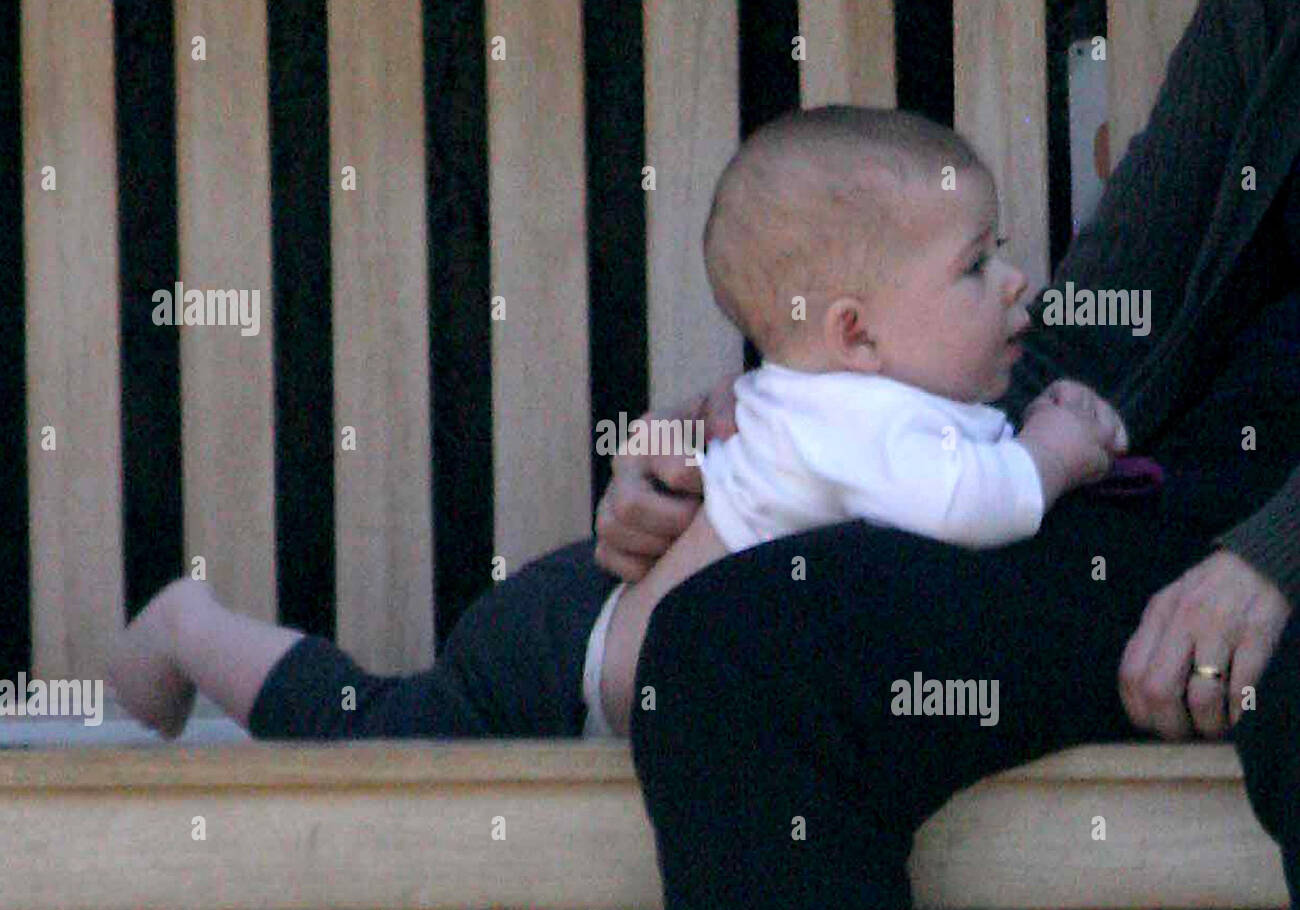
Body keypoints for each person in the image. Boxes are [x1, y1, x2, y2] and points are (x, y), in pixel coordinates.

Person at [109, 104, 1121, 746]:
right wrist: (1055, 448)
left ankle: (196, 633)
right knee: (373, 734)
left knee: (386, 712)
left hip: (591, 625)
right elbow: (979, 503)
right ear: (854, 332)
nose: (1016, 278)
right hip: (556, 664)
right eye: (976, 264)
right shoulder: (860, 424)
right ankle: (190, 629)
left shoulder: (861, 400)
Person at [622, 0, 1300, 910]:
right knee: (732, 645)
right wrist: (785, 437)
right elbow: (1101, 326)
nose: (1006, 279)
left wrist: (1277, 553)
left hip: (1264, 554)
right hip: (1140, 516)